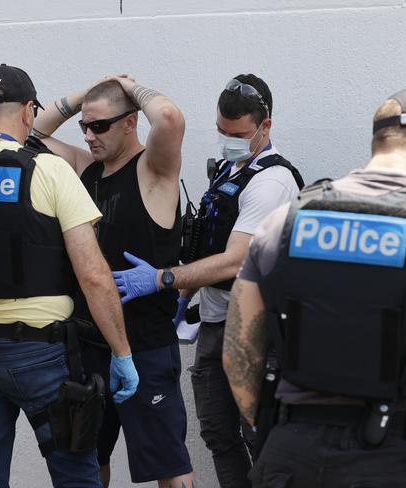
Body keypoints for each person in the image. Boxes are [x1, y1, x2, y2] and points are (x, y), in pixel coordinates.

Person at [0, 64, 138, 488]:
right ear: (29, 113)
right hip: (40, 355)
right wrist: (122, 352)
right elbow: (93, 274)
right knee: (75, 477)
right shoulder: (49, 171)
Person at [111, 74, 304, 488]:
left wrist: (163, 278)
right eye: (220, 130)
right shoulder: (232, 172)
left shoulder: (271, 181)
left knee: (261, 438)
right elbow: (208, 246)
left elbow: (235, 261)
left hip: (258, 331)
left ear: (265, 127)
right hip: (217, 324)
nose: (227, 139)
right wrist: (184, 295)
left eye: (237, 133)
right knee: (217, 432)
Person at [223, 90, 406, 487]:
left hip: (291, 454)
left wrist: (278, 429)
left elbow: (238, 354)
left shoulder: (285, 222)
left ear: (377, 141)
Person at [32, 76, 194, 487]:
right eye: (84, 127)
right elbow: (28, 136)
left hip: (145, 346)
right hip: (90, 347)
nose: (89, 136)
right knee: (89, 460)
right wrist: (83, 95)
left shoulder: (152, 170)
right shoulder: (87, 169)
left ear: (131, 122)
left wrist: (130, 85)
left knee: (169, 469)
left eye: (100, 126)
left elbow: (171, 118)